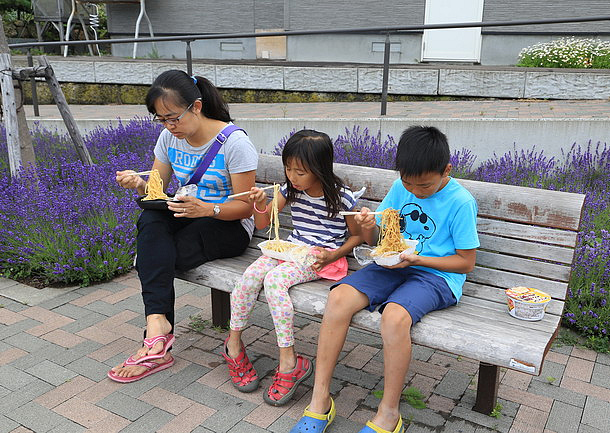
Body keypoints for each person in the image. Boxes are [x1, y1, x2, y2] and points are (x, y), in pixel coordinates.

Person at [290, 125, 480, 433]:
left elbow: (465, 263)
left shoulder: (460, 202)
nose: (415, 191)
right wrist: (365, 225)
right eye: (408, 182)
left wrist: (418, 259)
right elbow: (375, 238)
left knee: (393, 317)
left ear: (447, 169)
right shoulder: (400, 187)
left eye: (425, 186)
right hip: (394, 264)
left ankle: (389, 413)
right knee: (337, 299)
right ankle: (320, 400)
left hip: (436, 275)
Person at [109, 70, 257, 383]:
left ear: (197, 107)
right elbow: (157, 191)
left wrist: (208, 208)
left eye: (173, 118)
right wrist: (139, 184)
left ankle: (155, 344)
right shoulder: (168, 139)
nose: (168, 127)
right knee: (150, 219)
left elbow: (246, 207)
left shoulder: (234, 142)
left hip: (227, 223)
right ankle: (158, 325)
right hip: (185, 213)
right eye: (160, 120)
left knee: (154, 256)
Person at [223, 129, 363, 406]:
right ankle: (233, 345)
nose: (292, 177)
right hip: (292, 250)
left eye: (300, 172)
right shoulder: (288, 190)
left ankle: (289, 361)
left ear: (320, 168)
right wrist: (260, 205)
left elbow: (357, 237)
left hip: (319, 258)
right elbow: (263, 225)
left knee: (274, 282)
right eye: (288, 169)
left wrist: (334, 255)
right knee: (250, 275)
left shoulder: (342, 197)